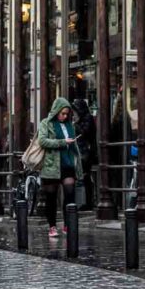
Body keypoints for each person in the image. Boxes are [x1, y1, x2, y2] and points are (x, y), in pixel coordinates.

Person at [36, 97, 82, 238]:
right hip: (51, 165)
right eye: (62, 113)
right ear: (56, 111)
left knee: (70, 194)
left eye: (67, 114)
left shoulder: (70, 125)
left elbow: (73, 146)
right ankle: (52, 226)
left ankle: (68, 224)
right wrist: (62, 142)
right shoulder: (46, 123)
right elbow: (42, 141)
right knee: (51, 197)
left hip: (67, 163)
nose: (65, 116)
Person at [72, 97, 97, 212]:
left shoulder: (87, 118)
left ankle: (88, 201)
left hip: (86, 151)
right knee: (82, 177)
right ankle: (83, 201)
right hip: (80, 150)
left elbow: (85, 133)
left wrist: (76, 124)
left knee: (85, 176)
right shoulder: (83, 118)